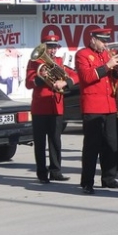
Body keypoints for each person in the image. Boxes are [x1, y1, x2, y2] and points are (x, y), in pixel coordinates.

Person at [75, 28, 118, 193]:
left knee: (111, 143)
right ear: (93, 39)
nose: (105, 44)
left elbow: (111, 78)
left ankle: (109, 178)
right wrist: (107, 66)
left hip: (110, 104)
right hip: (92, 106)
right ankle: (87, 182)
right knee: (92, 146)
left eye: (106, 41)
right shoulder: (82, 54)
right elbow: (86, 77)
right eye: (103, 41)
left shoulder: (107, 54)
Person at [26, 39, 78, 183]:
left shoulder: (60, 62)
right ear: (44, 48)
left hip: (56, 106)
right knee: (40, 142)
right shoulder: (34, 63)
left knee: (55, 141)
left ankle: (56, 171)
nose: (52, 51)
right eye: (50, 48)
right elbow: (28, 83)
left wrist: (64, 82)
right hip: (40, 107)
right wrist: (41, 77)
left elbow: (75, 76)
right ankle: (42, 173)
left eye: (55, 48)